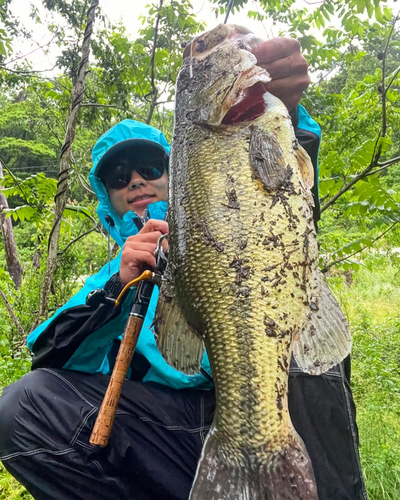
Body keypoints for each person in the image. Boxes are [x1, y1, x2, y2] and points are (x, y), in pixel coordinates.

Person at [0, 37, 367, 500]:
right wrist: (118, 283)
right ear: (108, 198)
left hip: (282, 408)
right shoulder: (115, 274)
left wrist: (290, 116)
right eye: (119, 177)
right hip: (174, 437)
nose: (136, 181)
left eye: (151, 167)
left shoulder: (237, 162)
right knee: (21, 406)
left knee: (301, 358)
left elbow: (287, 197)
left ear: (178, 169)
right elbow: (49, 355)